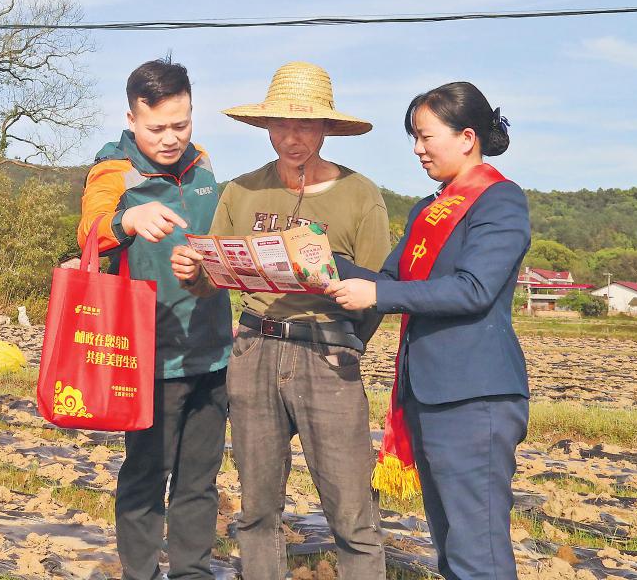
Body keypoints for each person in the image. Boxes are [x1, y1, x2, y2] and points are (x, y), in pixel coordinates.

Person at [171, 61, 389, 580]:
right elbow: (213, 279)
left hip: (328, 355)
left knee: (352, 513)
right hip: (254, 350)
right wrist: (194, 273)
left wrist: (343, 342)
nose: (292, 138)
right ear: (265, 126)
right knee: (257, 510)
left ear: (326, 128)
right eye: (281, 125)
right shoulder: (242, 192)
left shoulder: (361, 195)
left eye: (305, 125)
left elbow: (378, 293)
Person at [325, 82, 530, 580]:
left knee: (477, 549)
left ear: (467, 137)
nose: (417, 149)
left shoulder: (499, 201)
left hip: (474, 397)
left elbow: (473, 289)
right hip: (429, 395)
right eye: (413, 138)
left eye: (425, 136)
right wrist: (319, 257)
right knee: (450, 545)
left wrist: (377, 295)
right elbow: (389, 280)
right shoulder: (427, 208)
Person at [79, 58, 231, 580]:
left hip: (212, 348)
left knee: (200, 479)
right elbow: (89, 230)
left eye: (180, 124)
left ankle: (192, 571)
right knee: (147, 473)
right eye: (156, 127)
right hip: (149, 355)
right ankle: (140, 572)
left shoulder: (202, 163)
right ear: (132, 118)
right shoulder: (114, 170)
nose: (170, 138)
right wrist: (128, 217)